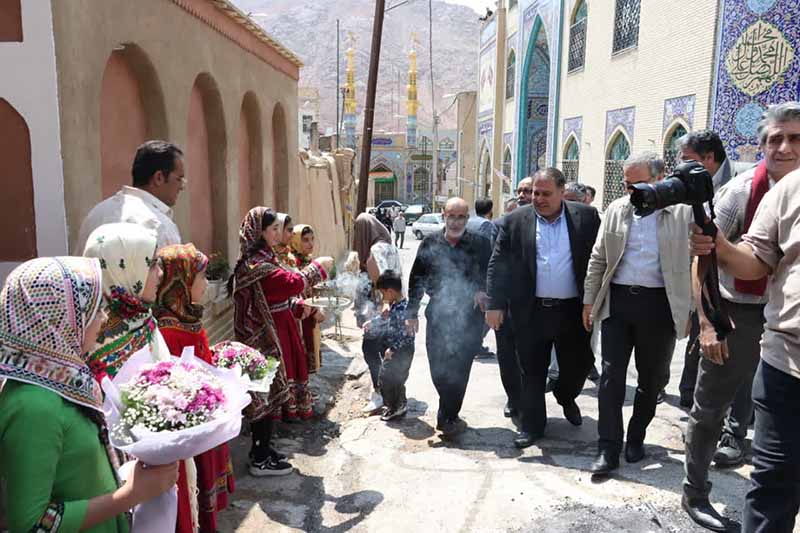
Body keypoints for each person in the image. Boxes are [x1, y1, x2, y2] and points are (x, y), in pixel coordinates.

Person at [684, 102, 800, 532]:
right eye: (774, 139)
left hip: (778, 321)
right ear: (762, 145)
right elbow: (706, 258)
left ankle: (737, 442)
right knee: (708, 406)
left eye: (795, 138)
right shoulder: (738, 193)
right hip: (736, 312)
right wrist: (710, 323)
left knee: (754, 409)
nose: (783, 147)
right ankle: (695, 491)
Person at [0, 257, 178, 532]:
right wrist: (129, 495)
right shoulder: (33, 405)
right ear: (57, 321)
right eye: (93, 311)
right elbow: (30, 525)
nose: (104, 318)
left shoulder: (63, 380)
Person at [82, 223, 198, 532]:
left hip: (161, 466)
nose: (160, 272)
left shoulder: (143, 320)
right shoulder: (91, 341)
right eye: (152, 263)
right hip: (120, 483)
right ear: (124, 267)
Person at [583, 152, 693, 475]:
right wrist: (590, 301)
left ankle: (636, 437)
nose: (632, 190)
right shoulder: (617, 210)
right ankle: (608, 448)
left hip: (660, 307)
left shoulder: (681, 214)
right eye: (627, 183)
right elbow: (598, 258)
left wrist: (691, 309)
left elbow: (696, 263)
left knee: (652, 379)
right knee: (611, 377)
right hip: (618, 304)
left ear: (659, 179)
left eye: (639, 183)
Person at [487, 168, 601, 448]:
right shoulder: (514, 221)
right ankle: (532, 426)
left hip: (573, 311)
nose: (538, 199)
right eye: (535, 193)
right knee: (532, 371)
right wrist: (495, 304)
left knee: (579, 365)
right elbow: (497, 264)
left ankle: (565, 396)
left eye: (546, 193)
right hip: (531, 311)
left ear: (562, 192)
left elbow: (600, 258)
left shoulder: (586, 217)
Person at [229, 206, 333, 476]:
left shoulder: (265, 258)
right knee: (263, 395)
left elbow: (283, 294)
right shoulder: (256, 265)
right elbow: (291, 283)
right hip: (261, 339)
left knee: (270, 394)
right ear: (258, 232)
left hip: (273, 333)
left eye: (278, 228)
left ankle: (264, 448)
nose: (277, 234)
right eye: (272, 229)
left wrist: (298, 306)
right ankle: (260, 457)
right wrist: (318, 268)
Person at [155, 243, 235, 533]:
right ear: (181, 283)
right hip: (190, 428)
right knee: (195, 494)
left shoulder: (187, 316)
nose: (205, 284)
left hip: (205, 419)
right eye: (200, 278)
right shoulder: (166, 330)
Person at [676, 129, 755, 408]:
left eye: (686, 158)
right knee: (700, 336)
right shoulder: (688, 184)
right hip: (704, 277)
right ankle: (689, 394)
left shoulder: (745, 184)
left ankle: (735, 421)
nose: (680, 165)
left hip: (741, 287)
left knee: (738, 355)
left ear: (708, 158)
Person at [407, 197, 492, 438]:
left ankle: (448, 417)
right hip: (438, 314)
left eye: (461, 216)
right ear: (443, 216)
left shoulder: (480, 243)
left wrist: (481, 290)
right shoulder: (430, 243)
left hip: (470, 317)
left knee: (460, 367)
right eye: (451, 216)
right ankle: (449, 411)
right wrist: (411, 312)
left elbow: (490, 274)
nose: (456, 221)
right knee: (438, 367)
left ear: (468, 218)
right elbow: (416, 278)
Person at [76, 140, 184, 253]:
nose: (182, 187)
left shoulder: (97, 214)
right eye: (179, 179)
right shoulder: (159, 226)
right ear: (159, 178)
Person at [362, 270, 415, 422]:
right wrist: (372, 322)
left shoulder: (402, 310)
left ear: (390, 291)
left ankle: (395, 407)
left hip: (401, 350)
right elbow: (385, 316)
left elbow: (405, 334)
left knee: (389, 379)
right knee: (394, 378)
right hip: (400, 349)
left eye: (383, 293)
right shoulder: (397, 305)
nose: (383, 297)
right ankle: (399, 404)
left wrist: (392, 349)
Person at [290, 224, 326, 374]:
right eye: (305, 240)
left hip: (311, 313)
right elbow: (298, 291)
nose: (310, 244)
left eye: (312, 239)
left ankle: (306, 390)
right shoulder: (292, 262)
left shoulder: (307, 260)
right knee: (302, 351)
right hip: (300, 315)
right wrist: (315, 310)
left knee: (312, 346)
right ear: (296, 241)